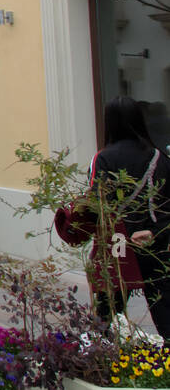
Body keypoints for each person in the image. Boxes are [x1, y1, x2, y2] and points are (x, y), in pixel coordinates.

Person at [76, 96, 170, 338]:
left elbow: (97, 205)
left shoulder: (103, 158)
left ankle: (105, 366)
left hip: (117, 246)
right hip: (155, 246)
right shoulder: (159, 158)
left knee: (106, 317)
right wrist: (155, 232)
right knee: (165, 315)